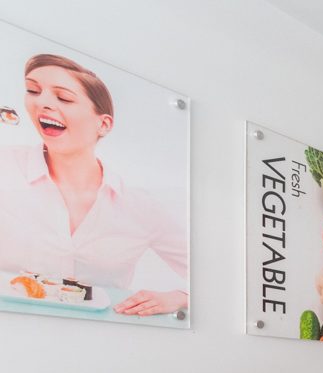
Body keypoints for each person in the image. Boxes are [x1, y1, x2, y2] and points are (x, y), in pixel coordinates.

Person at [0, 53, 186, 316]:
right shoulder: (5, 166)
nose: (42, 103)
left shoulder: (140, 206)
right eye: (33, 91)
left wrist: (180, 298)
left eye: (64, 98)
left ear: (103, 124)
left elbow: (215, 276)